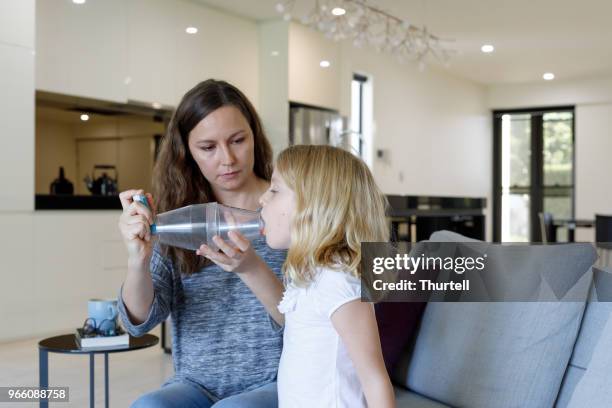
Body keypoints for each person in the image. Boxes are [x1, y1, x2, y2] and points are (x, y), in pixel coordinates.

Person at [117, 79, 286, 407]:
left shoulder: (288, 214)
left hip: (276, 382)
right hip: (194, 385)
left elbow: (311, 321)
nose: (228, 159)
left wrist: (251, 268)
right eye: (208, 148)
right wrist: (137, 259)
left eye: (238, 140)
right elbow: (138, 324)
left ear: (255, 136)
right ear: (187, 152)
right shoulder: (177, 224)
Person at [199, 145, 395, 407]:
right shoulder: (307, 274)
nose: (262, 199)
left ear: (315, 205)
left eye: (275, 190)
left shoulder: (338, 282)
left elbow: (374, 379)